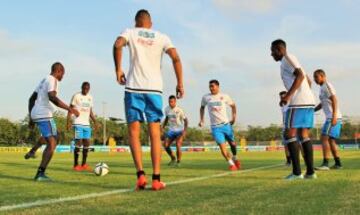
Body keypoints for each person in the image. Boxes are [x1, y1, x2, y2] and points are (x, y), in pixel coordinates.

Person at [113, 9, 184, 191]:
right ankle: (156, 179)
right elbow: (176, 58)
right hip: (154, 90)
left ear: (136, 22)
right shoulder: (161, 37)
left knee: (134, 133)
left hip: (133, 89)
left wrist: (118, 70)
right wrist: (180, 83)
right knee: (154, 134)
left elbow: (117, 44)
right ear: (150, 23)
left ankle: (140, 176)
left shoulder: (130, 32)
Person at [271, 39, 317, 180]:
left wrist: (288, 96)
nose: (271, 54)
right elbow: (308, 80)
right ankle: (310, 172)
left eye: (272, 50)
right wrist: (306, 94)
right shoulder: (291, 59)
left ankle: (297, 173)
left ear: (279, 49)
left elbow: (301, 75)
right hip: (307, 101)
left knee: (288, 134)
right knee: (303, 135)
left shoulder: (287, 58)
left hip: (298, 102)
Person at [27, 62, 79, 181]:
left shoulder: (43, 80)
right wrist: (70, 109)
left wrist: (31, 117)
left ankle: (33, 151)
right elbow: (52, 97)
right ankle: (40, 173)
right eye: (63, 74)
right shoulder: (52, 80)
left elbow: (31, 99)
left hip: (37, 113)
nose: (62, 77)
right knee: (52, 143)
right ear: (59, 71)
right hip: (44, 114)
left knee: (54, 138)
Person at [199, 80, 240, 171]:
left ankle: (235, 157)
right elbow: (202, 108)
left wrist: (233, 118)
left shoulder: (225, 96)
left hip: (226, 125)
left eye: (213, 86)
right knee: (222, 147)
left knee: (232, 144)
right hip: (215, 127)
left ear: (218, 86)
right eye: (210, 86)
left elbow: (233, 106)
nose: (211, 88)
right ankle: (231, 164)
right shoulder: (206, 97)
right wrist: (201, 120)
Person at [313, 69, 343, 170]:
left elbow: (334, 99)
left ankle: (325, 164)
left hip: (332, 117)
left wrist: (334, 116)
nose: (315, 79)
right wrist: (313, 110)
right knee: (331, 141)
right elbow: (323, 103)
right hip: (332, 117)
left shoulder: (327, 86)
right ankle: (338, 163)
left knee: (324, 138)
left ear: (323, 76)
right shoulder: (322, 88)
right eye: (314, 77)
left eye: (316, 77)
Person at [67, 82, 98, 171]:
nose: (85, 90)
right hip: (78, 123)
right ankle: (76, 165)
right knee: (78, 142)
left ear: (89, 89)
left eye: (87, 89)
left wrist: (95, 121)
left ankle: (84, 164)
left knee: (87, 143)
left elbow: (90, 111)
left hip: (86, 124)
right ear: (81, 87)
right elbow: (70, 109)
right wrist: (68, 122)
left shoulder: (90, 97)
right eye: (84, 88)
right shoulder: (76, 96)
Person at [162, 95, 188, 167]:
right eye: (169, 102)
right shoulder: (167, 109)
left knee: (178, 144)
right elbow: (167, 118)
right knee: (165, 145)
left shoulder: (179, 110)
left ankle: (178, 161)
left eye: (172, 102)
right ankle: (173, 158)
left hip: (180, 130)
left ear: (175, 102)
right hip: (171, 130)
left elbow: (186, 120)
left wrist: (185, 130)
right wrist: (163, 127)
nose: (171, 103)